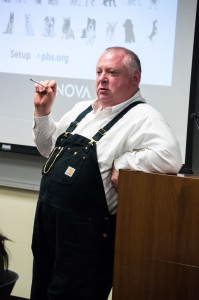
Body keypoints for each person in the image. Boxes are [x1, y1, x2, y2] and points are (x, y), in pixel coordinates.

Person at [30, 46, 182, 300]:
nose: (102, 78)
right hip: (49, 228)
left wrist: (124, 163)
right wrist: (43, 112)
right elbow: (47, 148)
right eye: (99, 71)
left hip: (85, 242)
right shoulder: (83, 109)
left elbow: (170, 157)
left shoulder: (144, 117)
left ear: (135, 79)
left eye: (112, 72)